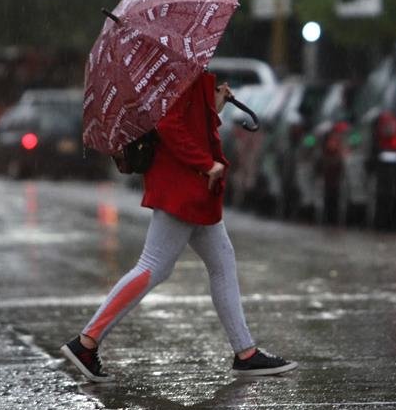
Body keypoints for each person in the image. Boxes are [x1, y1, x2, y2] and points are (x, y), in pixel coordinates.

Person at [61, 71, 297, 382]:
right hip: (183, 187)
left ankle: (246, 353)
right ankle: (87, 342)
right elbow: (169, 126)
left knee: (222, 262)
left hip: (193, 189)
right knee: (153, 266)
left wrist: (214, 104)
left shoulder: (184, 69)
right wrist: (205, 163)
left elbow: (191, 124)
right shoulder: (175, 72)